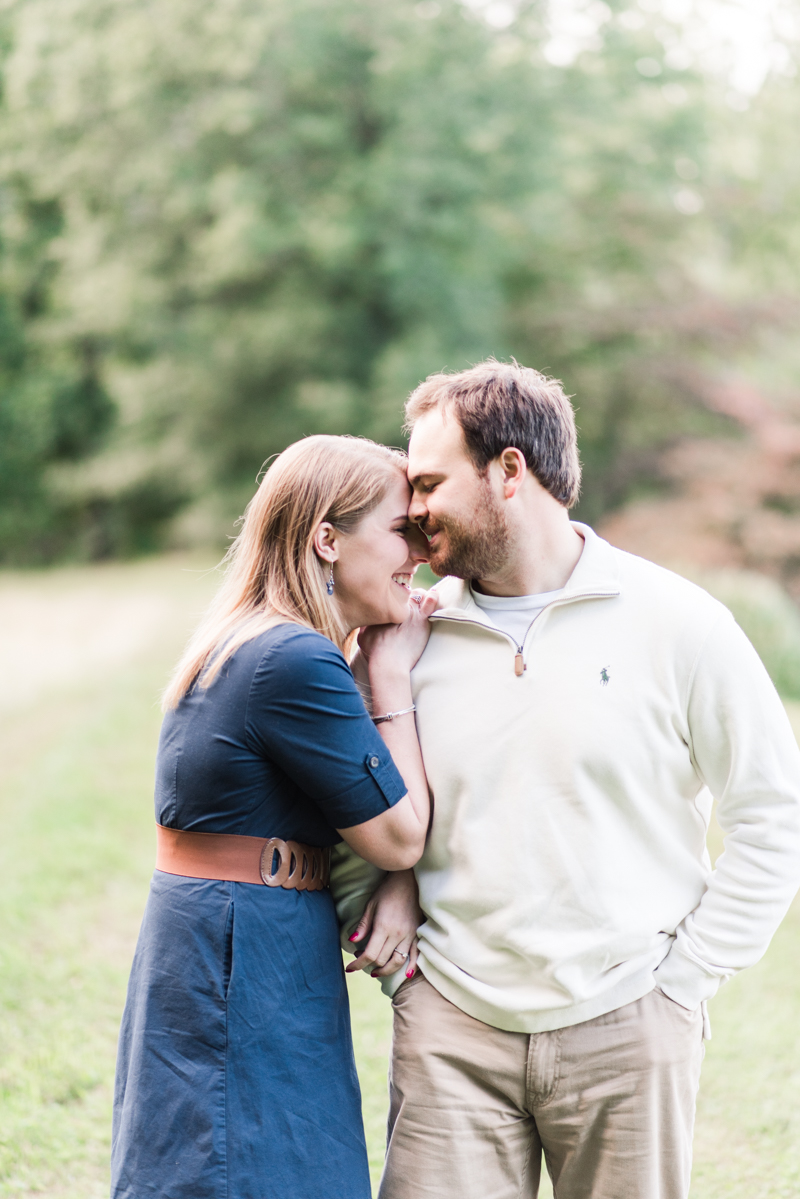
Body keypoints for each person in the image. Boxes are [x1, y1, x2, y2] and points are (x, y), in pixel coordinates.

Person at [361, 360, 800, 1199]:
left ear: (510, 471)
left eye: (428, 482)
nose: (412, 511)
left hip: (631, 1024)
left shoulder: (681, 622)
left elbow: (774, 813)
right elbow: (358, 799)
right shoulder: (403, 641)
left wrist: (685, 982)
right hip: (452, 1027)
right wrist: (400, 958)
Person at [110, 434, 437, 1199]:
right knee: (250, 1170)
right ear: (327, 538)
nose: (417, 554)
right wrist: (388, 677)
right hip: (245, 955)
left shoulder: (252, 638)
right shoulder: (292, 657)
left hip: (233, 939)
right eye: (401, 530)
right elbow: (400, 832)